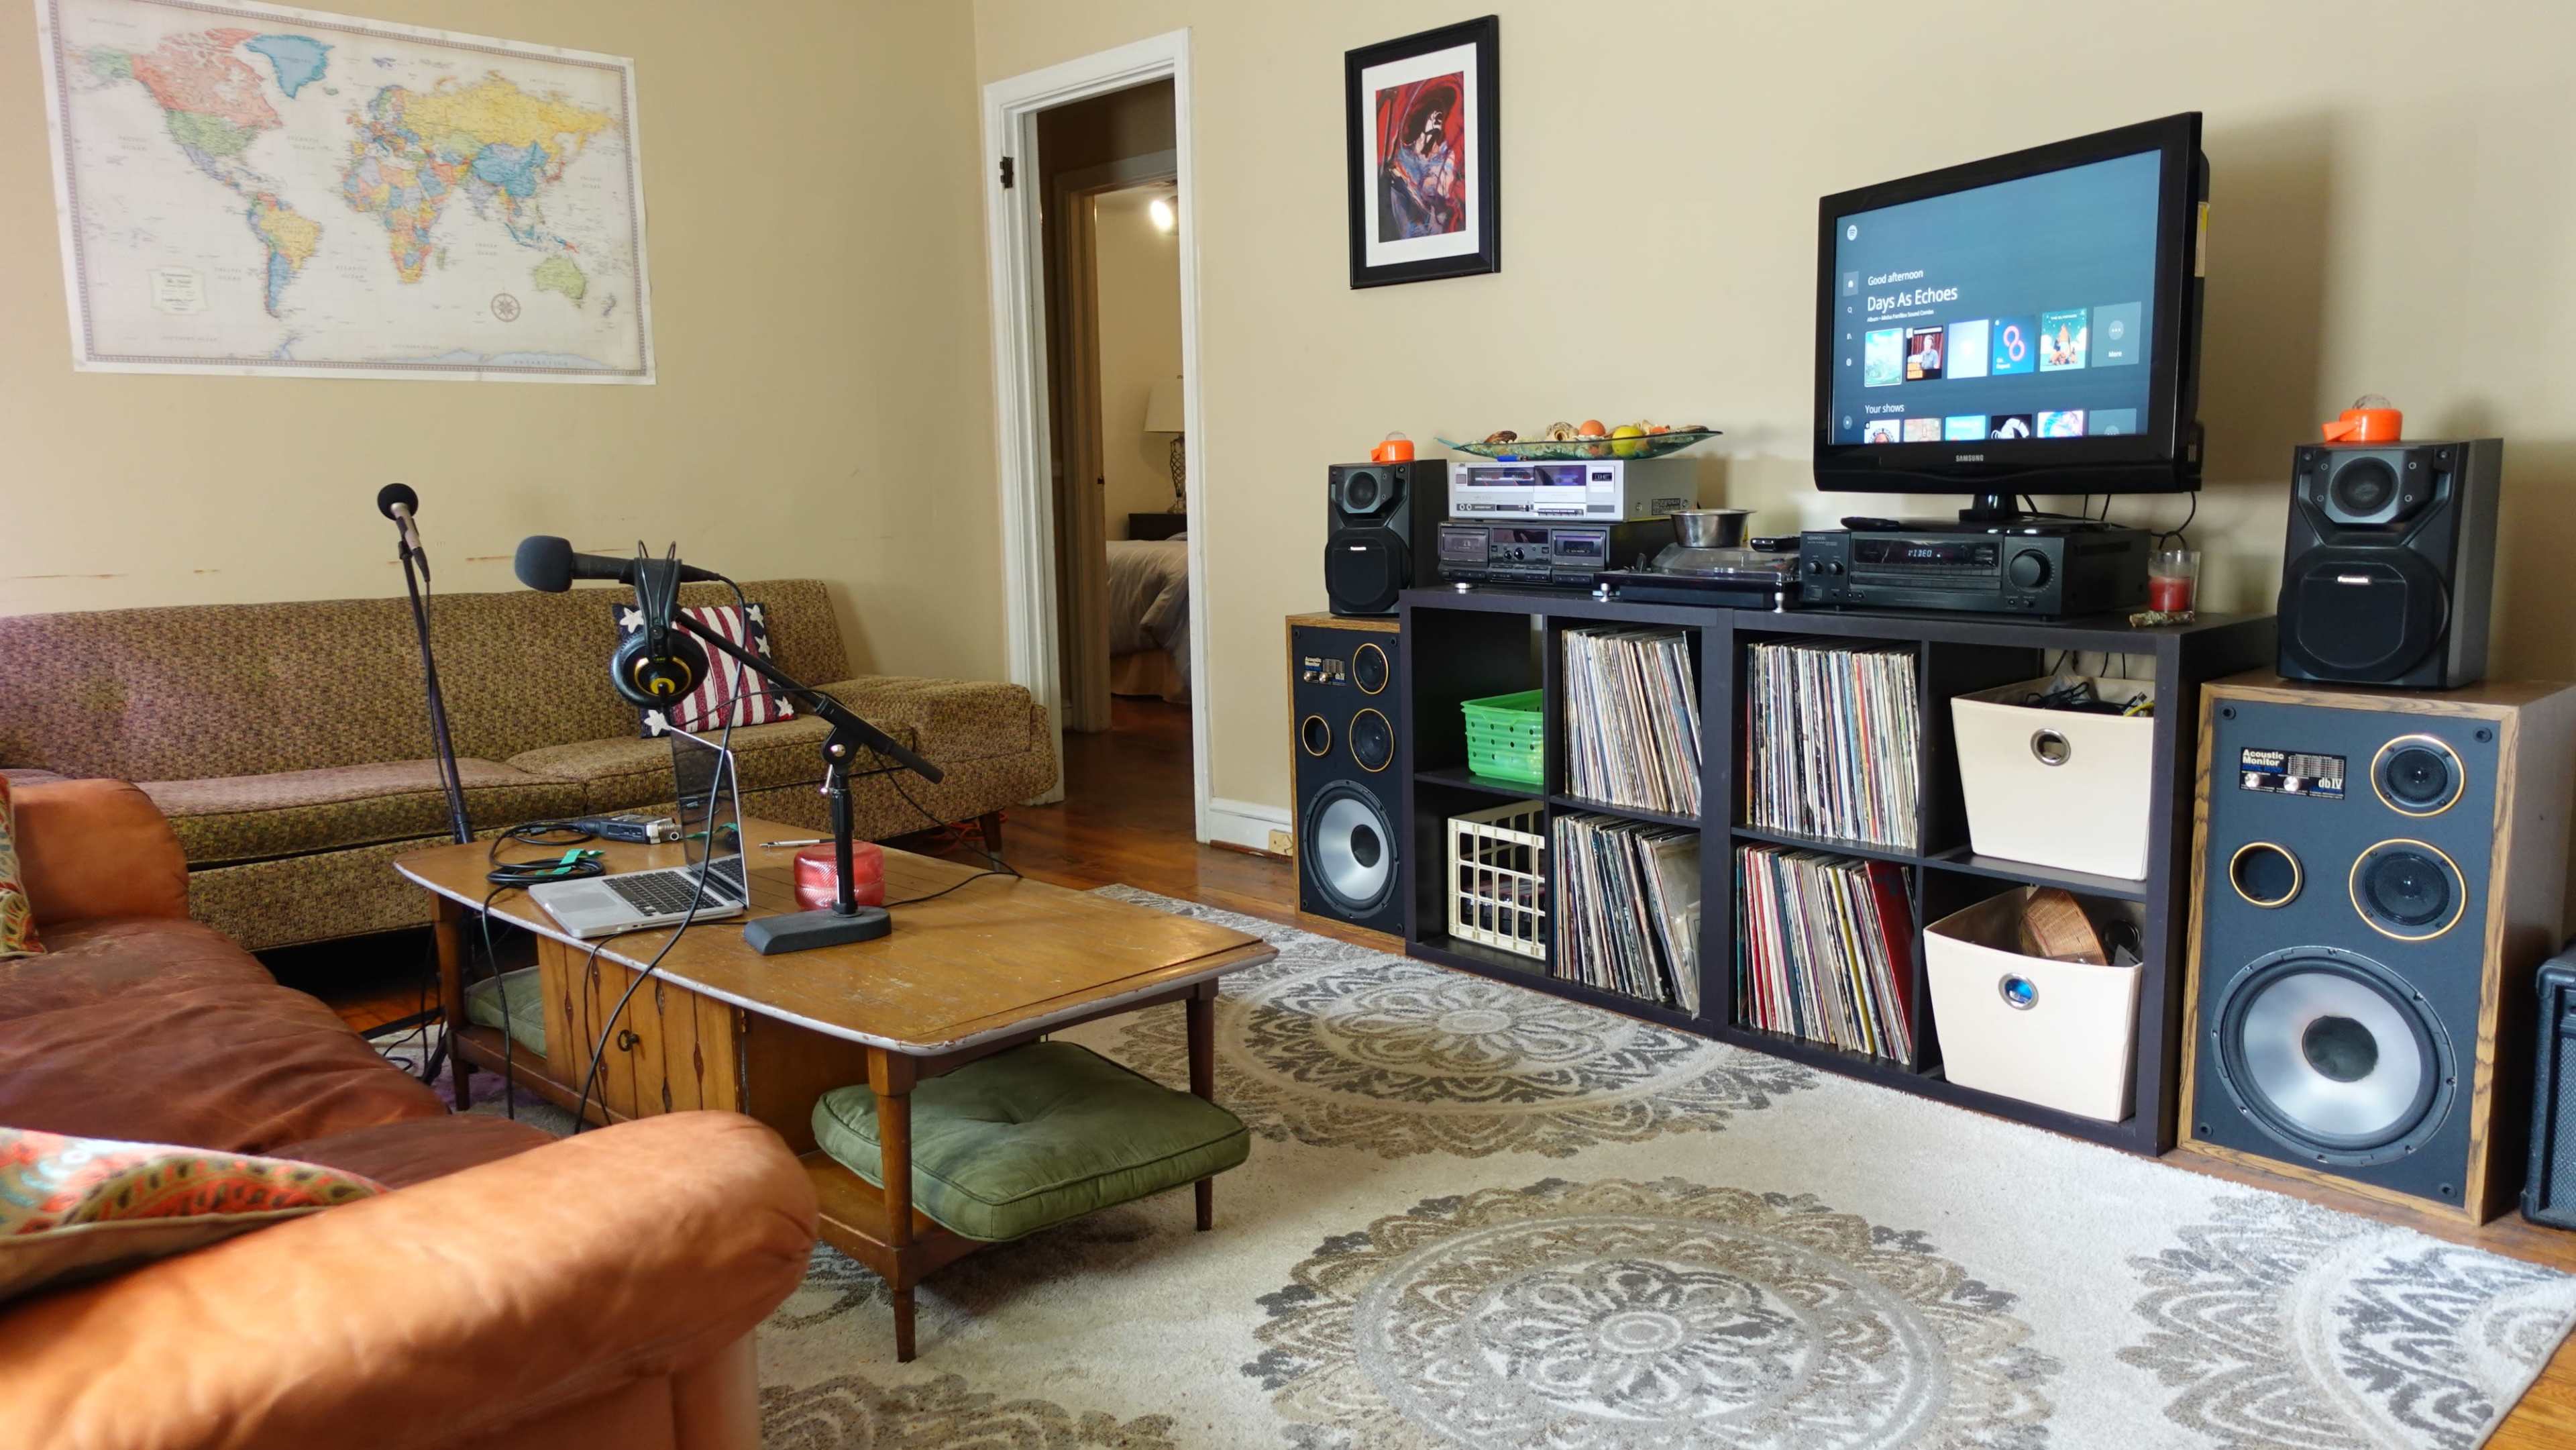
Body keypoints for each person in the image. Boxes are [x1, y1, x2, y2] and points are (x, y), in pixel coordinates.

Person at [1381, 98, 1461, 239]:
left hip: (1437, 224)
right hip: (1411, 226)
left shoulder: (1443, 155)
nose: (1438, 117)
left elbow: (1443, 195)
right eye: (1433, 113)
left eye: (1440, 114)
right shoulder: (1404, 157)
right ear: (1422, 117)